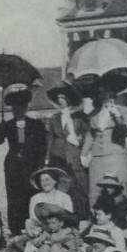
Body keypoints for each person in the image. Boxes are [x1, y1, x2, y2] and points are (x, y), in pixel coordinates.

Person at [0, 85, 48, 235]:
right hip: (13, 167)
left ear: (25, 107)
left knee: (30, 196)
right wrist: (1, 126)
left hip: (31, 167)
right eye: (14, 107)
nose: (17, 110)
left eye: (20, 106)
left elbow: (42, 147)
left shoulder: (36, 125)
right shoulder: (8, 125)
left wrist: (39, 166)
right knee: (14, 198)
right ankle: (15, 230)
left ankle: (30, 228)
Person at [44, 84, 91, 215]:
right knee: (62, 187)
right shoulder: (54, 118)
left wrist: (79, 143)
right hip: (58, 157)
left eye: (63, 97)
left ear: (69, 99)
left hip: (76, 156)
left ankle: (82, 217)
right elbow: (50, 139)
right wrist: (47, 158)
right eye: (58, 97)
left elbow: (88, 135)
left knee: (79, 187)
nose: (60, 100)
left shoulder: (79, 116)